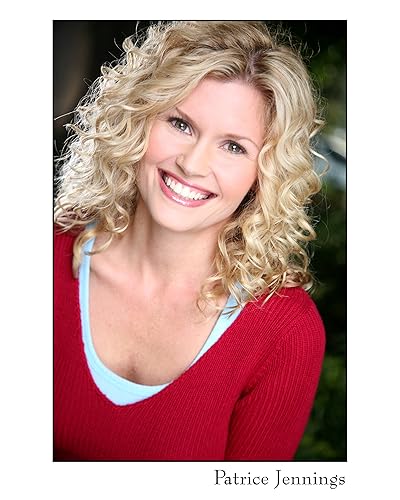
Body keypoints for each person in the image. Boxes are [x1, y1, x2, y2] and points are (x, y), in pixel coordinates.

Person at [54, 20, 326, 461]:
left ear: (265, 174)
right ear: (139, 119)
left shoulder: (284, 332)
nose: (193, 164)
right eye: (180, 124)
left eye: (233, 147)